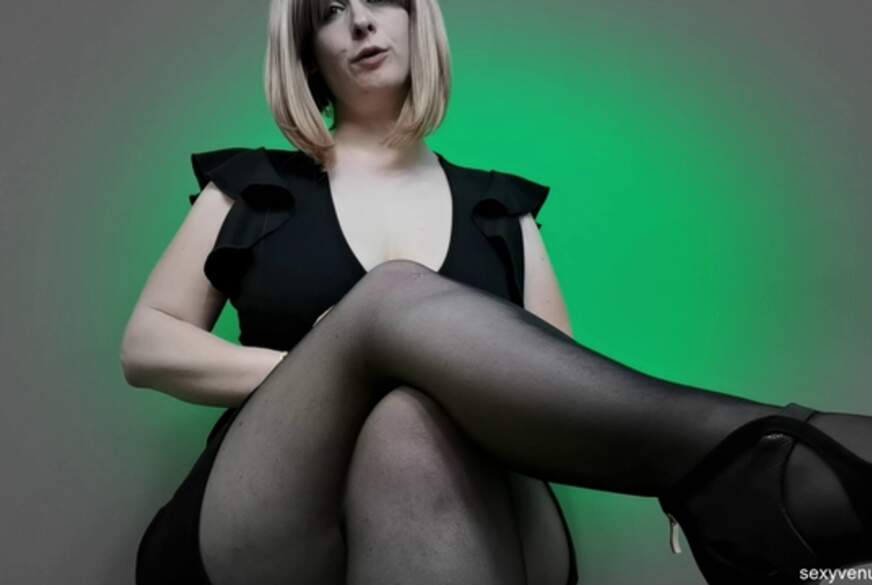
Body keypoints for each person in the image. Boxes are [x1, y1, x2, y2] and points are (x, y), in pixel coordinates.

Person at [122, 0, 872, 584]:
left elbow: (567, 397)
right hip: (274, 515)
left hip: (476, 506)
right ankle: (765, 462)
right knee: (389, 300)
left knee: (407, 422)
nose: (360, 22)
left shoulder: (498, 209)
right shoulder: (254, 187)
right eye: (329, 12)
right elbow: (147, 344)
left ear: (418, 21)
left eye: (382, 0)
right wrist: (341, 364)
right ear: (306, 51)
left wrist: (398, 377)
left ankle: (748, 465)